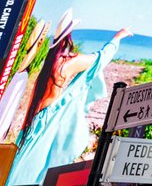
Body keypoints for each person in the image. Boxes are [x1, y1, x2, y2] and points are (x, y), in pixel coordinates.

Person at [8, 11, 132, 186]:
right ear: (69, 38)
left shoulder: (50, 63)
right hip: (48, 122)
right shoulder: (68, 63)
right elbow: (100, 59)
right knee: (35, 172)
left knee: (23, 168)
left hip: (35, 122)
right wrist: (117, 38)